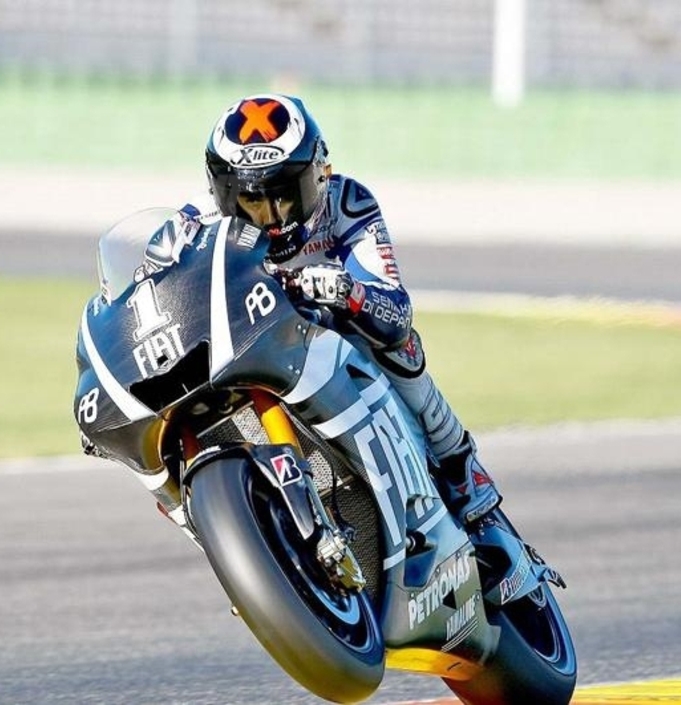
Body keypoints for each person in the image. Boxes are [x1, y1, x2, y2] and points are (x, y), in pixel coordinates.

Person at [200, 93, 500, 526]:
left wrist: (348, 292)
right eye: (252, 202)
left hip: (329, 333)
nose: (271, 218)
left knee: (399, 345)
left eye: (283, 197)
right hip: (254, 342)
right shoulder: (199, 224)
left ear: (318, 176)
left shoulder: (345, 204)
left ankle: (457, 460)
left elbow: (396, 313)